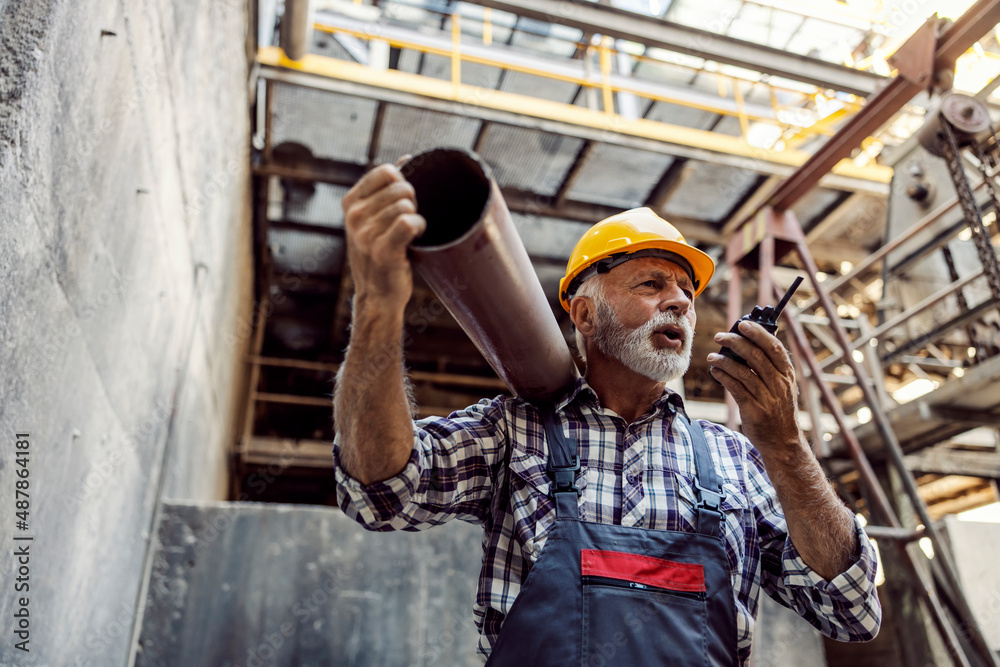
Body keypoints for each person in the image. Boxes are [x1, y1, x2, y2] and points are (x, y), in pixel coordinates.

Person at [332, 162, 881, 666]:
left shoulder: (734, 458)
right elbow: (381, 494)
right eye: (653, 283)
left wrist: (786, 445)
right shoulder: (514, 431)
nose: (681, 302)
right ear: (586, 314)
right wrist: (377, 307)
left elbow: (851, 610)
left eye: (687, 291)